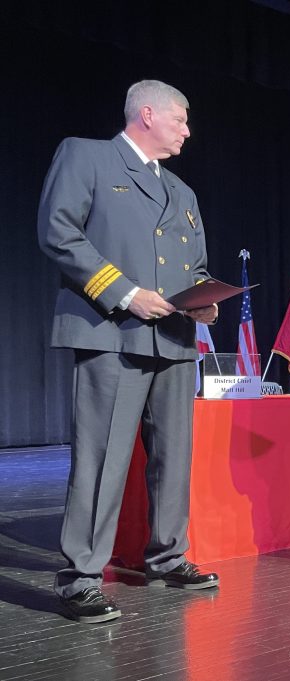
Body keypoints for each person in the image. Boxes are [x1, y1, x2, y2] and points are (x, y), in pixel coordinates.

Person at [38, 80, 220, 623]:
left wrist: (205, 301)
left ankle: (167, 555)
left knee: (174, 460)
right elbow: (59, 232)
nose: (188, 131)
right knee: (102, 459)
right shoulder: (87, 156)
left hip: (174, 340)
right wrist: (124, 292)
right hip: (111, 332)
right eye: (181, 120)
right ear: (147, 114)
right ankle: (79, 578)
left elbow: (197, 267)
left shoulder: (183, 192)